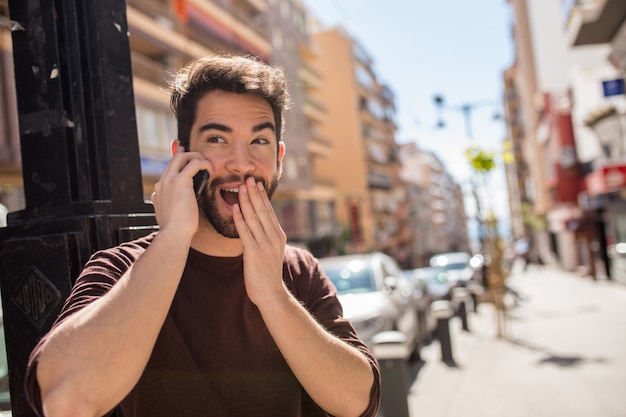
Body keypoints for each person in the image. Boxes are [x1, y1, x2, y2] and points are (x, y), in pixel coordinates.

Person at [24, 54, 381, 417]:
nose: (242, 163)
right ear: (181, 157)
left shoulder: (299, 270)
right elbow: (67, 399)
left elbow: (357, 401)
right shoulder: (121, 267)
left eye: (260, 141)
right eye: (217, 139)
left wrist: (272, 294)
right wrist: (174, 236)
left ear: (279, 158)